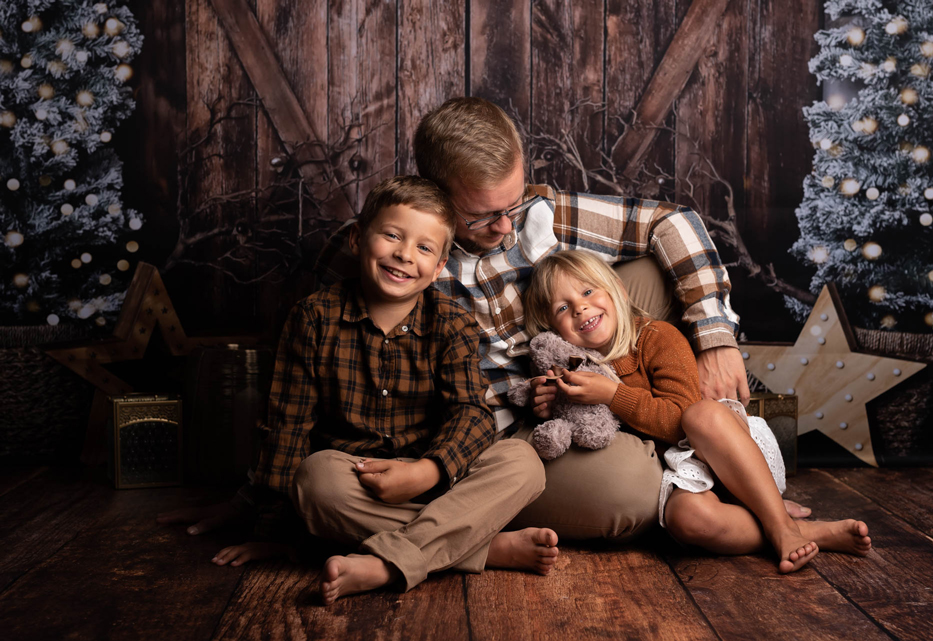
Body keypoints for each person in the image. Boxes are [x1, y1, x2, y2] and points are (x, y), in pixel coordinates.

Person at [312, 97, 809, 539]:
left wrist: (715, 338)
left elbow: (673, 220)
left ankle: (703, 451)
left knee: (650, 274)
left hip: (593, 371)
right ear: (435, 194)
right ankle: (702, 489)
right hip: (513, 427)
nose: (506, 226)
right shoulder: (396, 253)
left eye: (514, 202)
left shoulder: (540, 215)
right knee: (629, 491)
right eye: (483, 216)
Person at [184, 176, 559, 605]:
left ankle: (385, 563)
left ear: (439, 267)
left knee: (522, 461)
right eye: (393, 235)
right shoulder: (313, 318)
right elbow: (286, 429)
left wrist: (430, 470)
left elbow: (471, 415)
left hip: (436, 478)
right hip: (356, 482)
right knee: (315, 479)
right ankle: (484, 547)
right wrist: (271, 533)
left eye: (424, 247)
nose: (404, 255)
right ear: (358, 239)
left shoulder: (451, 322)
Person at [521, 250, 871, 573]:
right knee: (687, 520)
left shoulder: (657, 337)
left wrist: (614, 395)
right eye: (562, 308)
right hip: (674, 477)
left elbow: (679, 420)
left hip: (721, 449)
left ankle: (779, 524)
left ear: (619, 292)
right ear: (553, 330)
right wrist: (550, 404)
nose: (580, 309)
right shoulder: (576, 368)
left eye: (586, 292)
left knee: (702, 415)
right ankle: (802, 530)